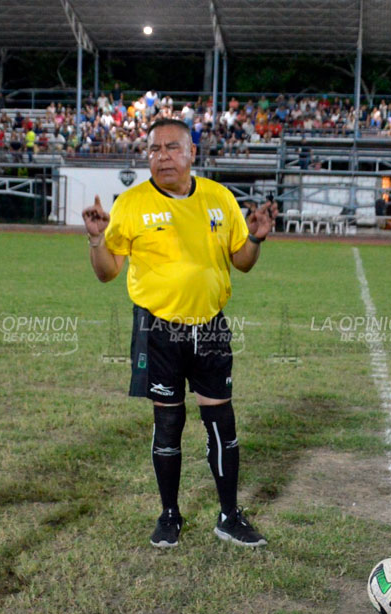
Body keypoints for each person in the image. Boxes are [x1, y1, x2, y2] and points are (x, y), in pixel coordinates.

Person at [82, 118, 276, 549]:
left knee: (221, 423)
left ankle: (229, 516)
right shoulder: (131, 203)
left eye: (172, 147)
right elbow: (107, 272)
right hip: (158, 331)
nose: (162, 156)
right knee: (167, 424)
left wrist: (257, 239)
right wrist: (96, 241)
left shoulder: (219, 198)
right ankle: (169, 514)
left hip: (209, 327)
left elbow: (241, 261)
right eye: (154, 149)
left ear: (192, 153)